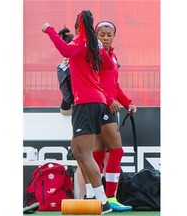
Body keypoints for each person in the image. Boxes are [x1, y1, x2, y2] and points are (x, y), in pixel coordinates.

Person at [42, 10, 115, 214]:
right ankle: (92, 195)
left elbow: (65, 51)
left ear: (78, 26)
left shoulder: (81, 41)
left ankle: (103, 201)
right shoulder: (92, 44)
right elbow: (109, 65)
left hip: (87, 102)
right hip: (93, 101)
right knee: (77, 149)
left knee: (84, 152)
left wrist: (49, 30)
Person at [80, 20, 137, 212]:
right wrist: (108, 99)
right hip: (100, 107)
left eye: (108, 34)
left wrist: (127, 102)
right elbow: (91, 83)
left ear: (114, 36)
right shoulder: (93, 56)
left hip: (106, 107)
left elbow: (114, 85)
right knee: (116, 150)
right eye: (101, 34)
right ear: (95, 35)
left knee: (99, 151)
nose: (105, 38)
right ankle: (110, 197)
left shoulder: (112, 56)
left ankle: (97, 198)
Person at [56, 28, 74, 115]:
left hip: (75, 102)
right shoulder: (63, 67)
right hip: (80, 102)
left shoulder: (61, 67)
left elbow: (67, 96)